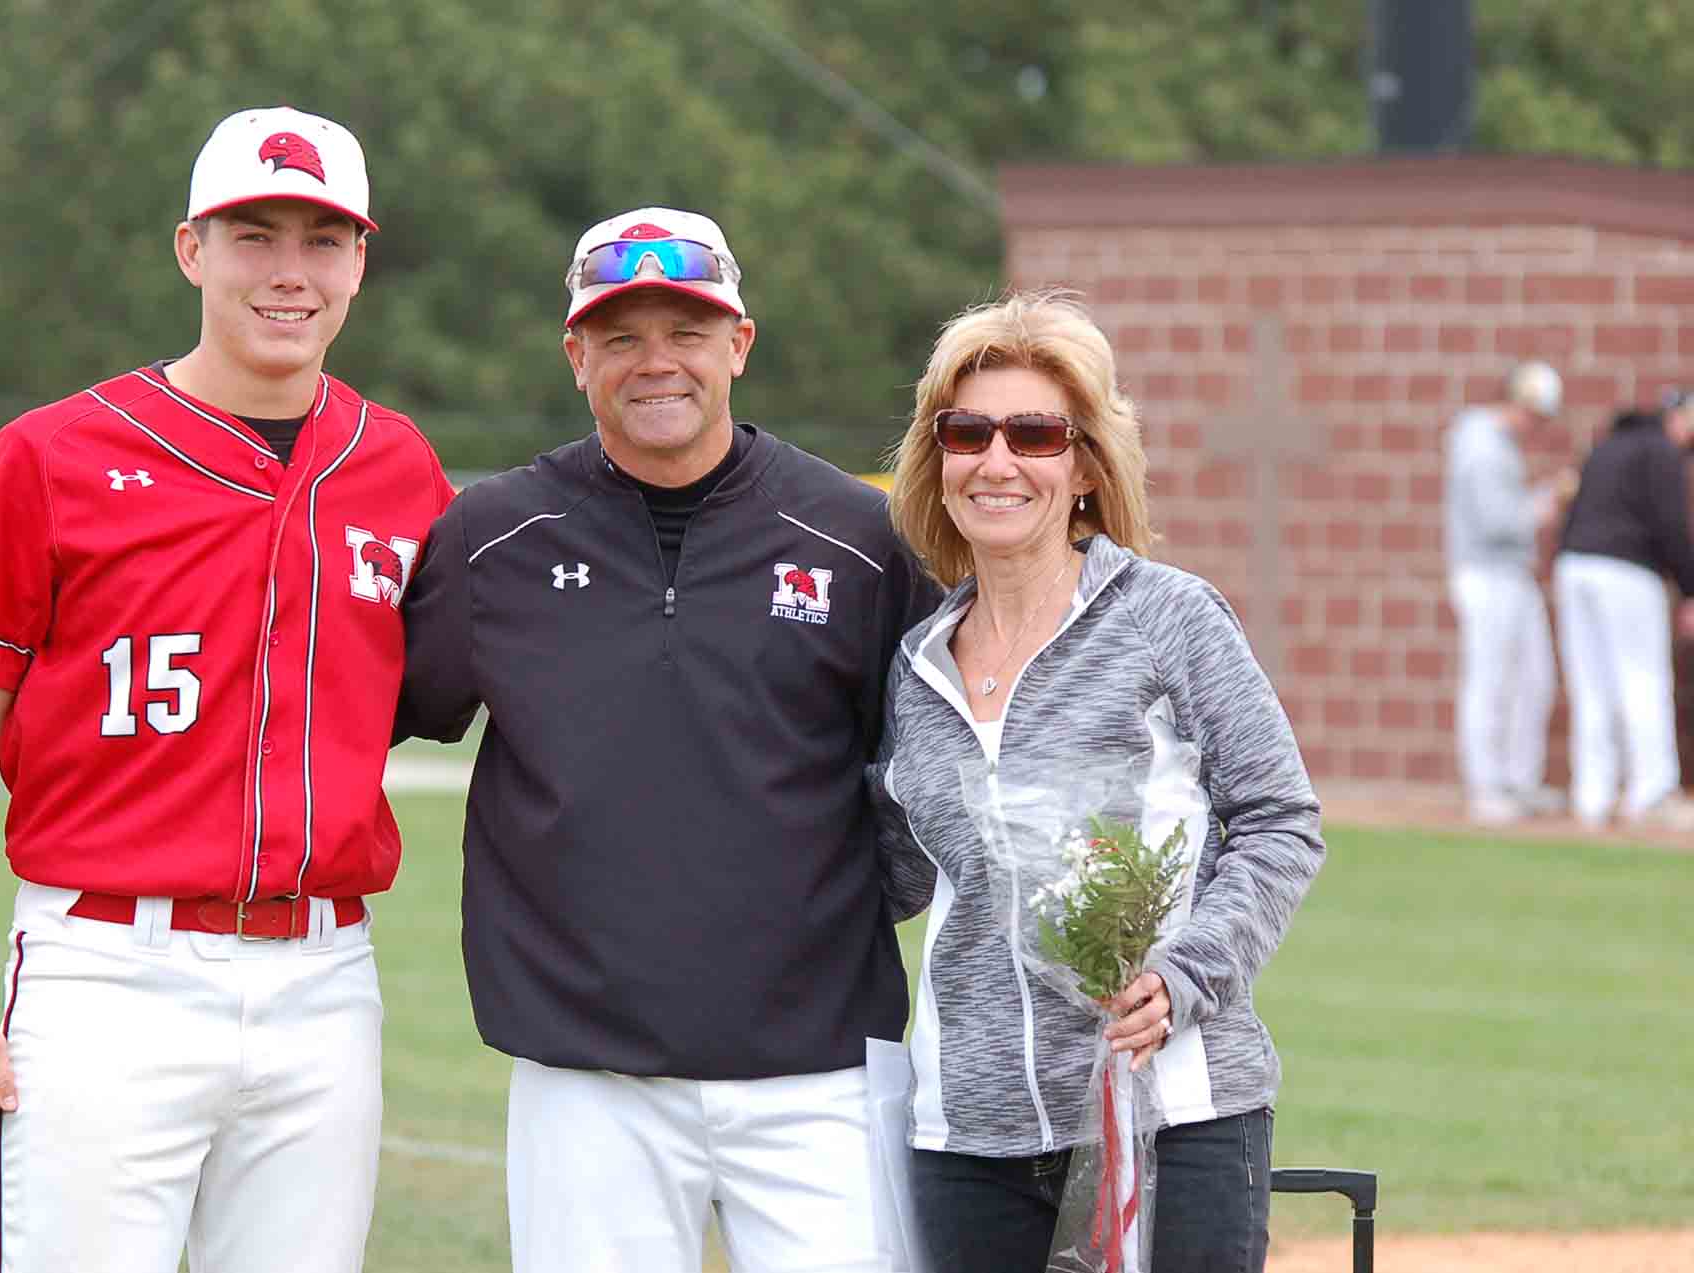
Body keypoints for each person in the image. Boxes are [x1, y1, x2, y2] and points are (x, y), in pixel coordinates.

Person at [0, 106, 453, 1271]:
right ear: (190, 249)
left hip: (325, 977)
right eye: (253, 233)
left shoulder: (400, 466)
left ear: (363, 259)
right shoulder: (52, 452)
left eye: (322, 238)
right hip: (108, 969)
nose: (288, 271)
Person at [395, 206, 938, 1273]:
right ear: (576, 354)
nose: (657, 363)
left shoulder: (862, 538)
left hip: (819, 1070)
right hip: (586, 1074)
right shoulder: (493, 539)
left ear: (738, 343)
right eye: (622, 335)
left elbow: (934, 766)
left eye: (687, 332)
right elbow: (364, 712)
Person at [868, 291, 1325, 1273]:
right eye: (969, 431)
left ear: (1082, 464)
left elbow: (1282, 822)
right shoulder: (914, 667)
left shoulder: (1170, 619)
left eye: (1034, 434)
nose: (997, 460)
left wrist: (1188, 974)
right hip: (971, 1140)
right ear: (937, 455)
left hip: (1175, 1108)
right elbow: (894, 879)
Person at [1553, 388, 1694, 830]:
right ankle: (1651, 793)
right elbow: (1672, 526)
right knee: (1644, 678)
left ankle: (1591, 797)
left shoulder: (1608, 445)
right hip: (1627, 572)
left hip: (1574, 567)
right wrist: (1691, 589)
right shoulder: (1661, 452)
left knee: (1591, 684)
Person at [1442, 360, 1576, 825]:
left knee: (1534, 678)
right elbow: (1496, 521)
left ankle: (1519, 780)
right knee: (1490, 680)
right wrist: (1545, 503)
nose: (1535, 426)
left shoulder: (1500, 444)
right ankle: (1486, 786)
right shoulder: (1479, 441)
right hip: (1486, 573)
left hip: (1513, 575)